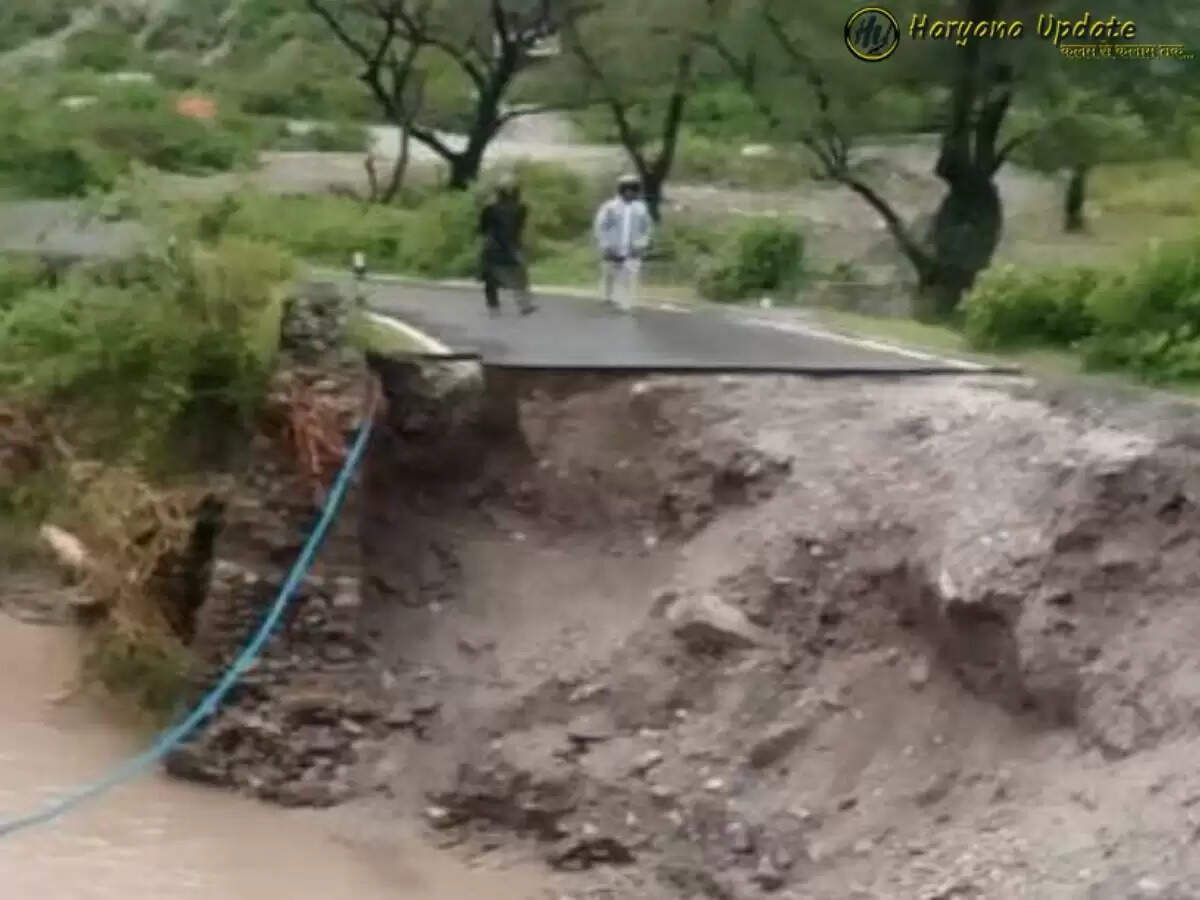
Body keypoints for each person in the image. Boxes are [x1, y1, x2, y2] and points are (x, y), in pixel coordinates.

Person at [593, 174, 653, 312]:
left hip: (633, 250)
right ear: (622, 190)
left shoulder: (641, 208)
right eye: (628, 189)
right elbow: (601, 227)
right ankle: (608, 300)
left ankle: (626, 303)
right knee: (610, 275)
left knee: (630, 276)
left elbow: (646, 229)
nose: (631, 193)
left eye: (634, 189)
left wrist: (641, 244)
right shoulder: (610, 207)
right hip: (613, 249)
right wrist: (606, 245)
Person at [478, 179, 537, 316]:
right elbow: (520, 227)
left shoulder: (489, 209)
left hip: (494, 246)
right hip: (514, 246)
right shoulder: (521, 209)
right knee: (520, 276)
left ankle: (493, 307)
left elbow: (482, 229)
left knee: (490, 277)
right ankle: (524, 304)